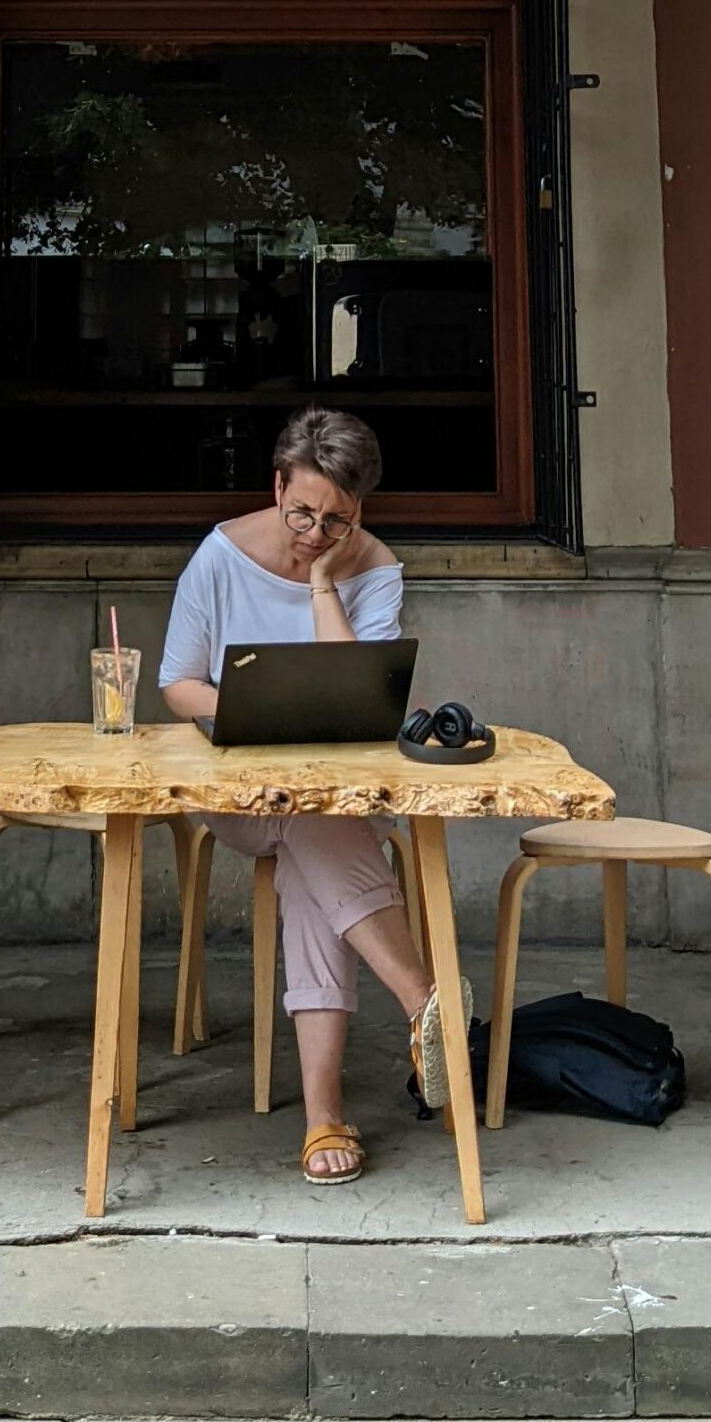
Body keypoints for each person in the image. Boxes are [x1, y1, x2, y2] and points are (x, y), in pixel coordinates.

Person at [159, 405, 469, 1184]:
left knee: (313, 846)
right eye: (300, 511)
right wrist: (249, 712)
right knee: (311, 824)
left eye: (336, 518)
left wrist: (327, 582)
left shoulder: (371, 564)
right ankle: (427, 1001)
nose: (312, 531)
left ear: (359, 507)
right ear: (276, 485)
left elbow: (359, 697)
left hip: (331, 796)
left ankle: (324, 1118)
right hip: (238, 791)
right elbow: (176, 684)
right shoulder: (221, 554)